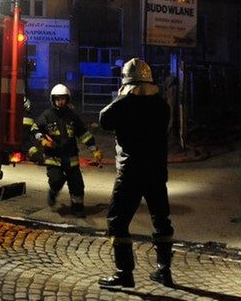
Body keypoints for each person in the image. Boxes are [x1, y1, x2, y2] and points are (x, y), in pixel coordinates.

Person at [97, 58, 174, 290]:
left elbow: (103, 119)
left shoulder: (123, 104)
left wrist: (123, 95)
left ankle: (124, 273)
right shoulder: (163, 106)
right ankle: (164, 271)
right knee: (161, 221)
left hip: (130, 172)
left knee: (117, 221)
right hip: (157, 172)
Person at [29, 83, 101, 217]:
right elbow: (35, 130)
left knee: (77, 185)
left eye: (63, 99)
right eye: (57, 99)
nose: (60, 101)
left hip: (71, 159)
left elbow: (84, 134)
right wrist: (42, 140)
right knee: (56, 180)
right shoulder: (47, 115)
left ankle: (78, 208)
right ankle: (52, 193)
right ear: (53, 100)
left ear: (67, 100)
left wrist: (94, 149)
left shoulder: (72, 117)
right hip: (53, 158)